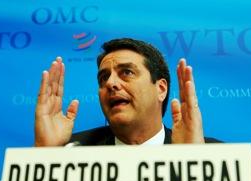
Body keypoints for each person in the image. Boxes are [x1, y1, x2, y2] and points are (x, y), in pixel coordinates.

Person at [34, 38, 217, 146]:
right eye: (103, 78)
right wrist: (44, 155)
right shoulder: (71, 152)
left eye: (127, 72)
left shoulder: (209, 152)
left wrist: (194, 160)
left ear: (160, 89)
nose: (111, 83)